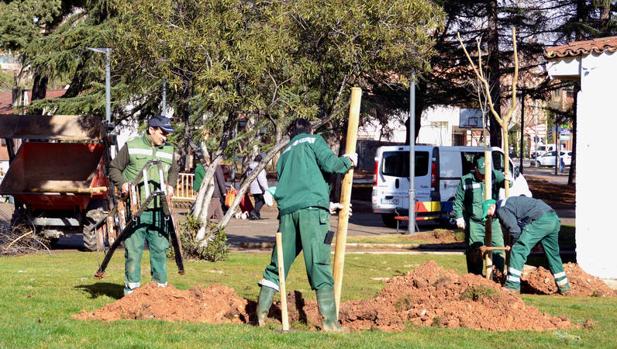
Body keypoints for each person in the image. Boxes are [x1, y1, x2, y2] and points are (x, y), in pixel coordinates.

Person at [255, 118, 357, 332]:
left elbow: (298, 185)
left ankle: (261, 317)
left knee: (278, 265)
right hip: (312, 214)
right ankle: (330, 323)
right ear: (309, 130)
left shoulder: (285, 155)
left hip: (287, 215)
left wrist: (328, 204)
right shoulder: (314, 141)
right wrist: (348, 161)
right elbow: (332, 165)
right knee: (318, 263)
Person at [109, 115, 179, 296]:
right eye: (163, 133)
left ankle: (160, 293)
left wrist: (171, 184)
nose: (165, 137)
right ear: (151, 130)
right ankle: (131, 294)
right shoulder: (132, 146)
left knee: (160, 251)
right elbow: (114, 168)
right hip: (136, 209)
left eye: (167, 134)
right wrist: (123, 184)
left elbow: (173, 170)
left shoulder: (169, 150)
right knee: (133, 252)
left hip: (160, 210)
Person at [484, 196, 571, 294]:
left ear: (491, 207)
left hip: (540, 220)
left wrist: (514, 245)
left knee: (518, 250)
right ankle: (564, 287)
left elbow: (515, 231)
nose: (490, 218)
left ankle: (512, 286)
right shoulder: (508, 203)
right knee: (553, 255)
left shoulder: (501, 209)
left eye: (488, 215)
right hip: (552, 218)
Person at [452, 156, 507, 275]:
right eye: (481, 174)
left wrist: (507, 180)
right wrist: (459, 217)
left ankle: (499, 273)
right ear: (475, 169)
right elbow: (458, 201)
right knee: (474, 251)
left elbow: (507, 183)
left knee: (498, 248)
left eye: (485, 174)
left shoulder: (494, 175)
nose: (483, 177)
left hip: (493, 221)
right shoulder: (466, 180)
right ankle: (475, 278)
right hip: (475, 223)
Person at [248, 153, 269, 220]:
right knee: (263, 200)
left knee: (257, 201)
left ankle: (256, 215)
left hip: (253, 187)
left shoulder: (250, 167)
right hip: (259, 188)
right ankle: (254, 212)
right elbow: (261, 179)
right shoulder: (260, 168)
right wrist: (266, 189)